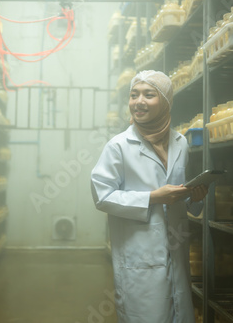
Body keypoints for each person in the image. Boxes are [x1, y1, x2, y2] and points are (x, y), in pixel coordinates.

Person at [90, 70, 208, 323]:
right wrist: (152, 197)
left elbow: (178, 198)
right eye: (134, 95)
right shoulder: (119, 146)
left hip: (175, 250)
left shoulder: (180, 143)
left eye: (148, 95)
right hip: (139, 254)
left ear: (165, 102)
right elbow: (102, 196)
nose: (138, 101)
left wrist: (195, 196)